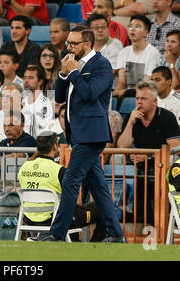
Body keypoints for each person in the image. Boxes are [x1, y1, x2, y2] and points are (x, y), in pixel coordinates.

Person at [28, 26, 126, 243]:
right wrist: (63, 73)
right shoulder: (71, 63)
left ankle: (57, 234)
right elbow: (60, 97)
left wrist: (73, 72)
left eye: (73, 44)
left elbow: (90, 93)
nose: (68, 48)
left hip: (92, 134)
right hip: (79, 133)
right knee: (99, 188)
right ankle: (117, 234)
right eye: (68, 44)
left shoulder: (101, 64)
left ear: (87, 44)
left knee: (70, 182)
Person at [18, 131, 107, 242]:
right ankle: (94, 246)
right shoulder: (59, 170)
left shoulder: (24, 167)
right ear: (55, 146)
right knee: (104, 208)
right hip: (57, 219)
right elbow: (74, 199)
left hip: (30, 218)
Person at [117, 80, 180, 223]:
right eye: (137, 99)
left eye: (143, 99)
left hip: (160, 161)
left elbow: (177, 149)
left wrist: (149, 157)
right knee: (116, 159)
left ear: (154, 101)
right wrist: (130, 124)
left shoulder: (167, 117)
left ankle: (167, 210)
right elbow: (122, 147)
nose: (139, 102)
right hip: (137, 161)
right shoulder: (131, 117)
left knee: (172, 160)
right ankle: (123, 206)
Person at [114, 15, 160, 98]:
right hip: (126, 95)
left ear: (146, 33)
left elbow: (148, 82)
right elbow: (122, 81)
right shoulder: (124, 52)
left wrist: (126, 92)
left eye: (137, 27)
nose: (132, 29)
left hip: (145, 94)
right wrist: (116, 93)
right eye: (130, 26)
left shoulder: (153, 53)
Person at [0, 109, 36, 180]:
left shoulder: (28, 140)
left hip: (18, 185)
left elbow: (18, 156)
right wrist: (5, 163)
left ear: (21, 125)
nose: (6, 129)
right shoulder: (4, 142)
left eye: (10, 125)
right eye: (4, 125)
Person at [151, 66, 180, 137]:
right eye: (152, 80)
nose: (153, 84)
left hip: (174, 145)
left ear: (169, 82)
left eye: (157, 80)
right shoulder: (150, 99)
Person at [22, 65, 54, 138]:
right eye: (25, 77)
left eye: (30, 78)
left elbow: (47, 129)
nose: (26, 81)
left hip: (37, 145)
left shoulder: (46, 103)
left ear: (40, 82)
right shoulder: (20, 100)